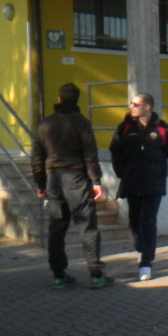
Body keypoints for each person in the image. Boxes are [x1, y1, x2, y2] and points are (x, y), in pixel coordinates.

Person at [31, 82, 113, 289]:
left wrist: (40, 183)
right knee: (87, 228)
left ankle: (58, 275)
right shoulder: (81, 122)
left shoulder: (45, 124)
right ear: (77, 100)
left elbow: (37, 157)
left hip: (53, 179)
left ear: (59, 99)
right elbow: (90, 154)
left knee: (57, 228)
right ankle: (96, 275)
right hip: (76, 179)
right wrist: (96, 181)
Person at [109, 93, 168, 281]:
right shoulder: (125, 128)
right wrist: (121, 172)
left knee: (148, 221)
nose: (131, 107)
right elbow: (115, 150)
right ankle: (141, 250)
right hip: (132, 182)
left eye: (136, 104)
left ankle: (146, 263)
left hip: (154, 183)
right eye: (131, 104)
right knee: (134, 221)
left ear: (147, 107)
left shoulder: (163, 130)